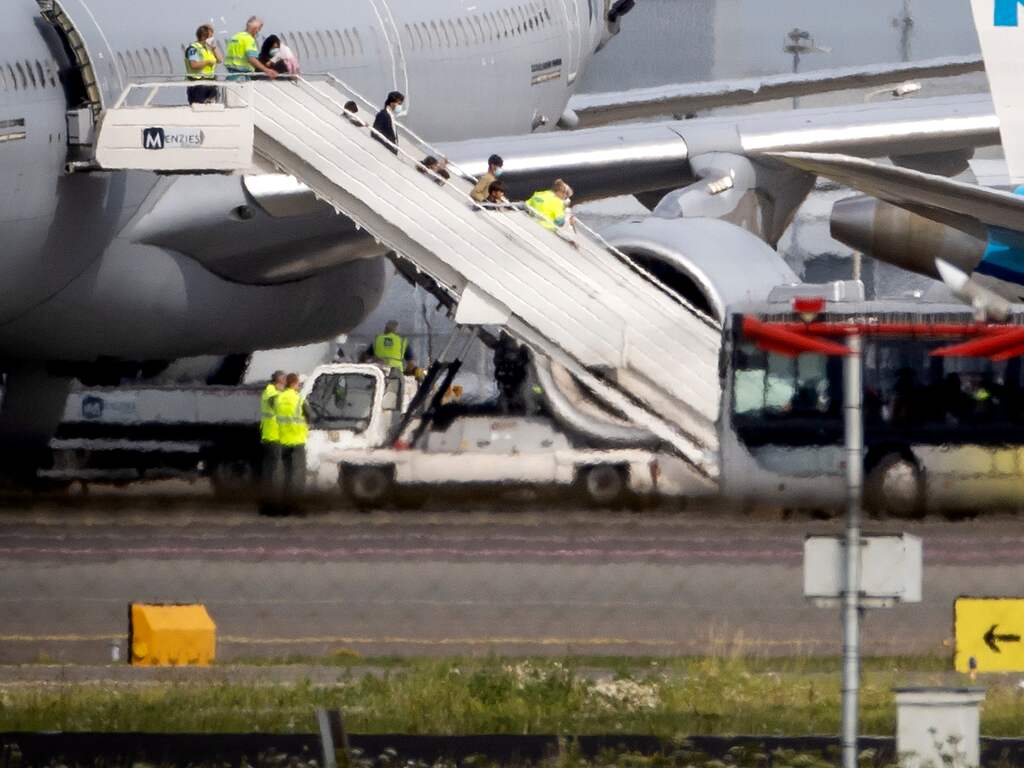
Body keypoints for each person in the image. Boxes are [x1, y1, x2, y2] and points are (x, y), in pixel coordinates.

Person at [273, 372, 308, 508]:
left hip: (284, 441)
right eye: (298, 383)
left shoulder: (279, 398)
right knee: (299, 473)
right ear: (293, 384)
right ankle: (296, 503)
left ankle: (284, 501)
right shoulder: (298, 398)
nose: (299, 386)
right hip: (297, 441)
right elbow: (310, 415)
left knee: (286, 472)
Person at [225, 16, 279, 80]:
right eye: (258, 29)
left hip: (231, 76)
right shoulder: (249, 39)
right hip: (242, 78)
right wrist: (267, 70)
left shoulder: (235, 37)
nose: (258, 31)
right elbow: (251, 59)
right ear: (254, 28)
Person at [259, 370, 286, 493]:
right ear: (278, 380)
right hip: (272, 434)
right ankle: (273, 491)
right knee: (275, 465)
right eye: (284, 379)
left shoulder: (276, 391)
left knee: (271, 464)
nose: (285, 382)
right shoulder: (270, 391)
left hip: (276, 434)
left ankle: (269, 490)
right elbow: (275, 403)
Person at [184, 24, 222, 105]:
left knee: (213, 108)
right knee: (199, 109)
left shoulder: (209, 48)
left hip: (211, 84)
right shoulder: (193, 48)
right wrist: (207, 62)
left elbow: (220, 60)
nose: (212, 38)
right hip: (197, 85)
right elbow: (194, 65)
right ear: (204, 36)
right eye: (211, 36)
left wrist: (214, 48)